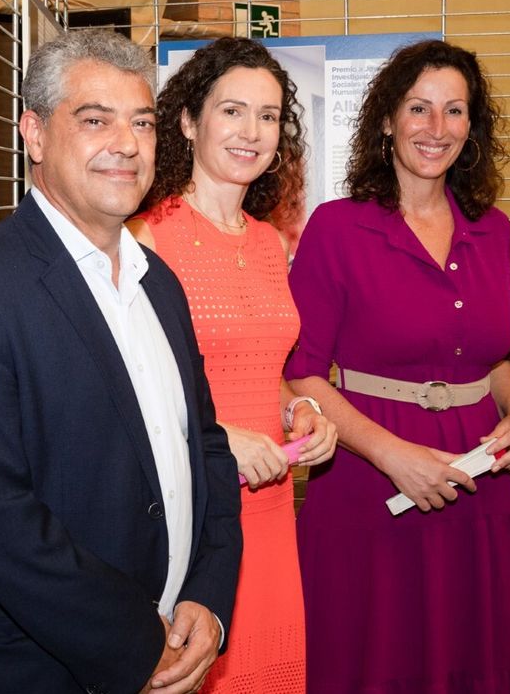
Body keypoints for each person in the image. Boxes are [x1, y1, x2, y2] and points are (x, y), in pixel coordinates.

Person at [0, 29, 243, 694]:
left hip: (174, 646)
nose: (126, 144)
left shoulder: (158, 283)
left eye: (141, 122)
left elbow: (205, 447)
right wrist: (137, 647)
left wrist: (209, 594)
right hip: (33, 669)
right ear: (33, 133)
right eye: (95, 120)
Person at [283, 38, 510, 693]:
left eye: (455, 111)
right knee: (375, 658)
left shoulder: (493, 229)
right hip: (370, 484)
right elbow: (304, 370)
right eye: (419, 109)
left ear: (472, 128)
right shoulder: (337, 229)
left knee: (472, 655)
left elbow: (491, 353)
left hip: (478, 482)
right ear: (386, 121)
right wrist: (392, 454)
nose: (437, 128)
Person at [128, 37, 337, 693]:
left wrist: (300, 409)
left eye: (269, 116)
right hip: (189, 509)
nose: (252, 132)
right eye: (233, 112)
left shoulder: (273, 242)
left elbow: (255, 366)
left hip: (271, 511)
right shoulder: (145, 236)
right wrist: (218, 443)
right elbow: (124, 391)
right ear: (188, 122)